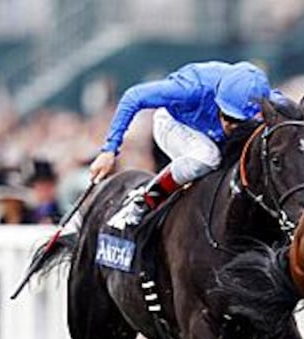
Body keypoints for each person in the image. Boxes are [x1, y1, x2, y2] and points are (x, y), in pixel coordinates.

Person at [89, 61, 275, 230]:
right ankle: (143, 201)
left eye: (240, 121)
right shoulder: (191, 88)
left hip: (209, 134)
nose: (230, 126)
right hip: (174, 122)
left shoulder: (269, 98)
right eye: (228, 116)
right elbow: (132, 97)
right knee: (208, 157)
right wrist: (109, 150)